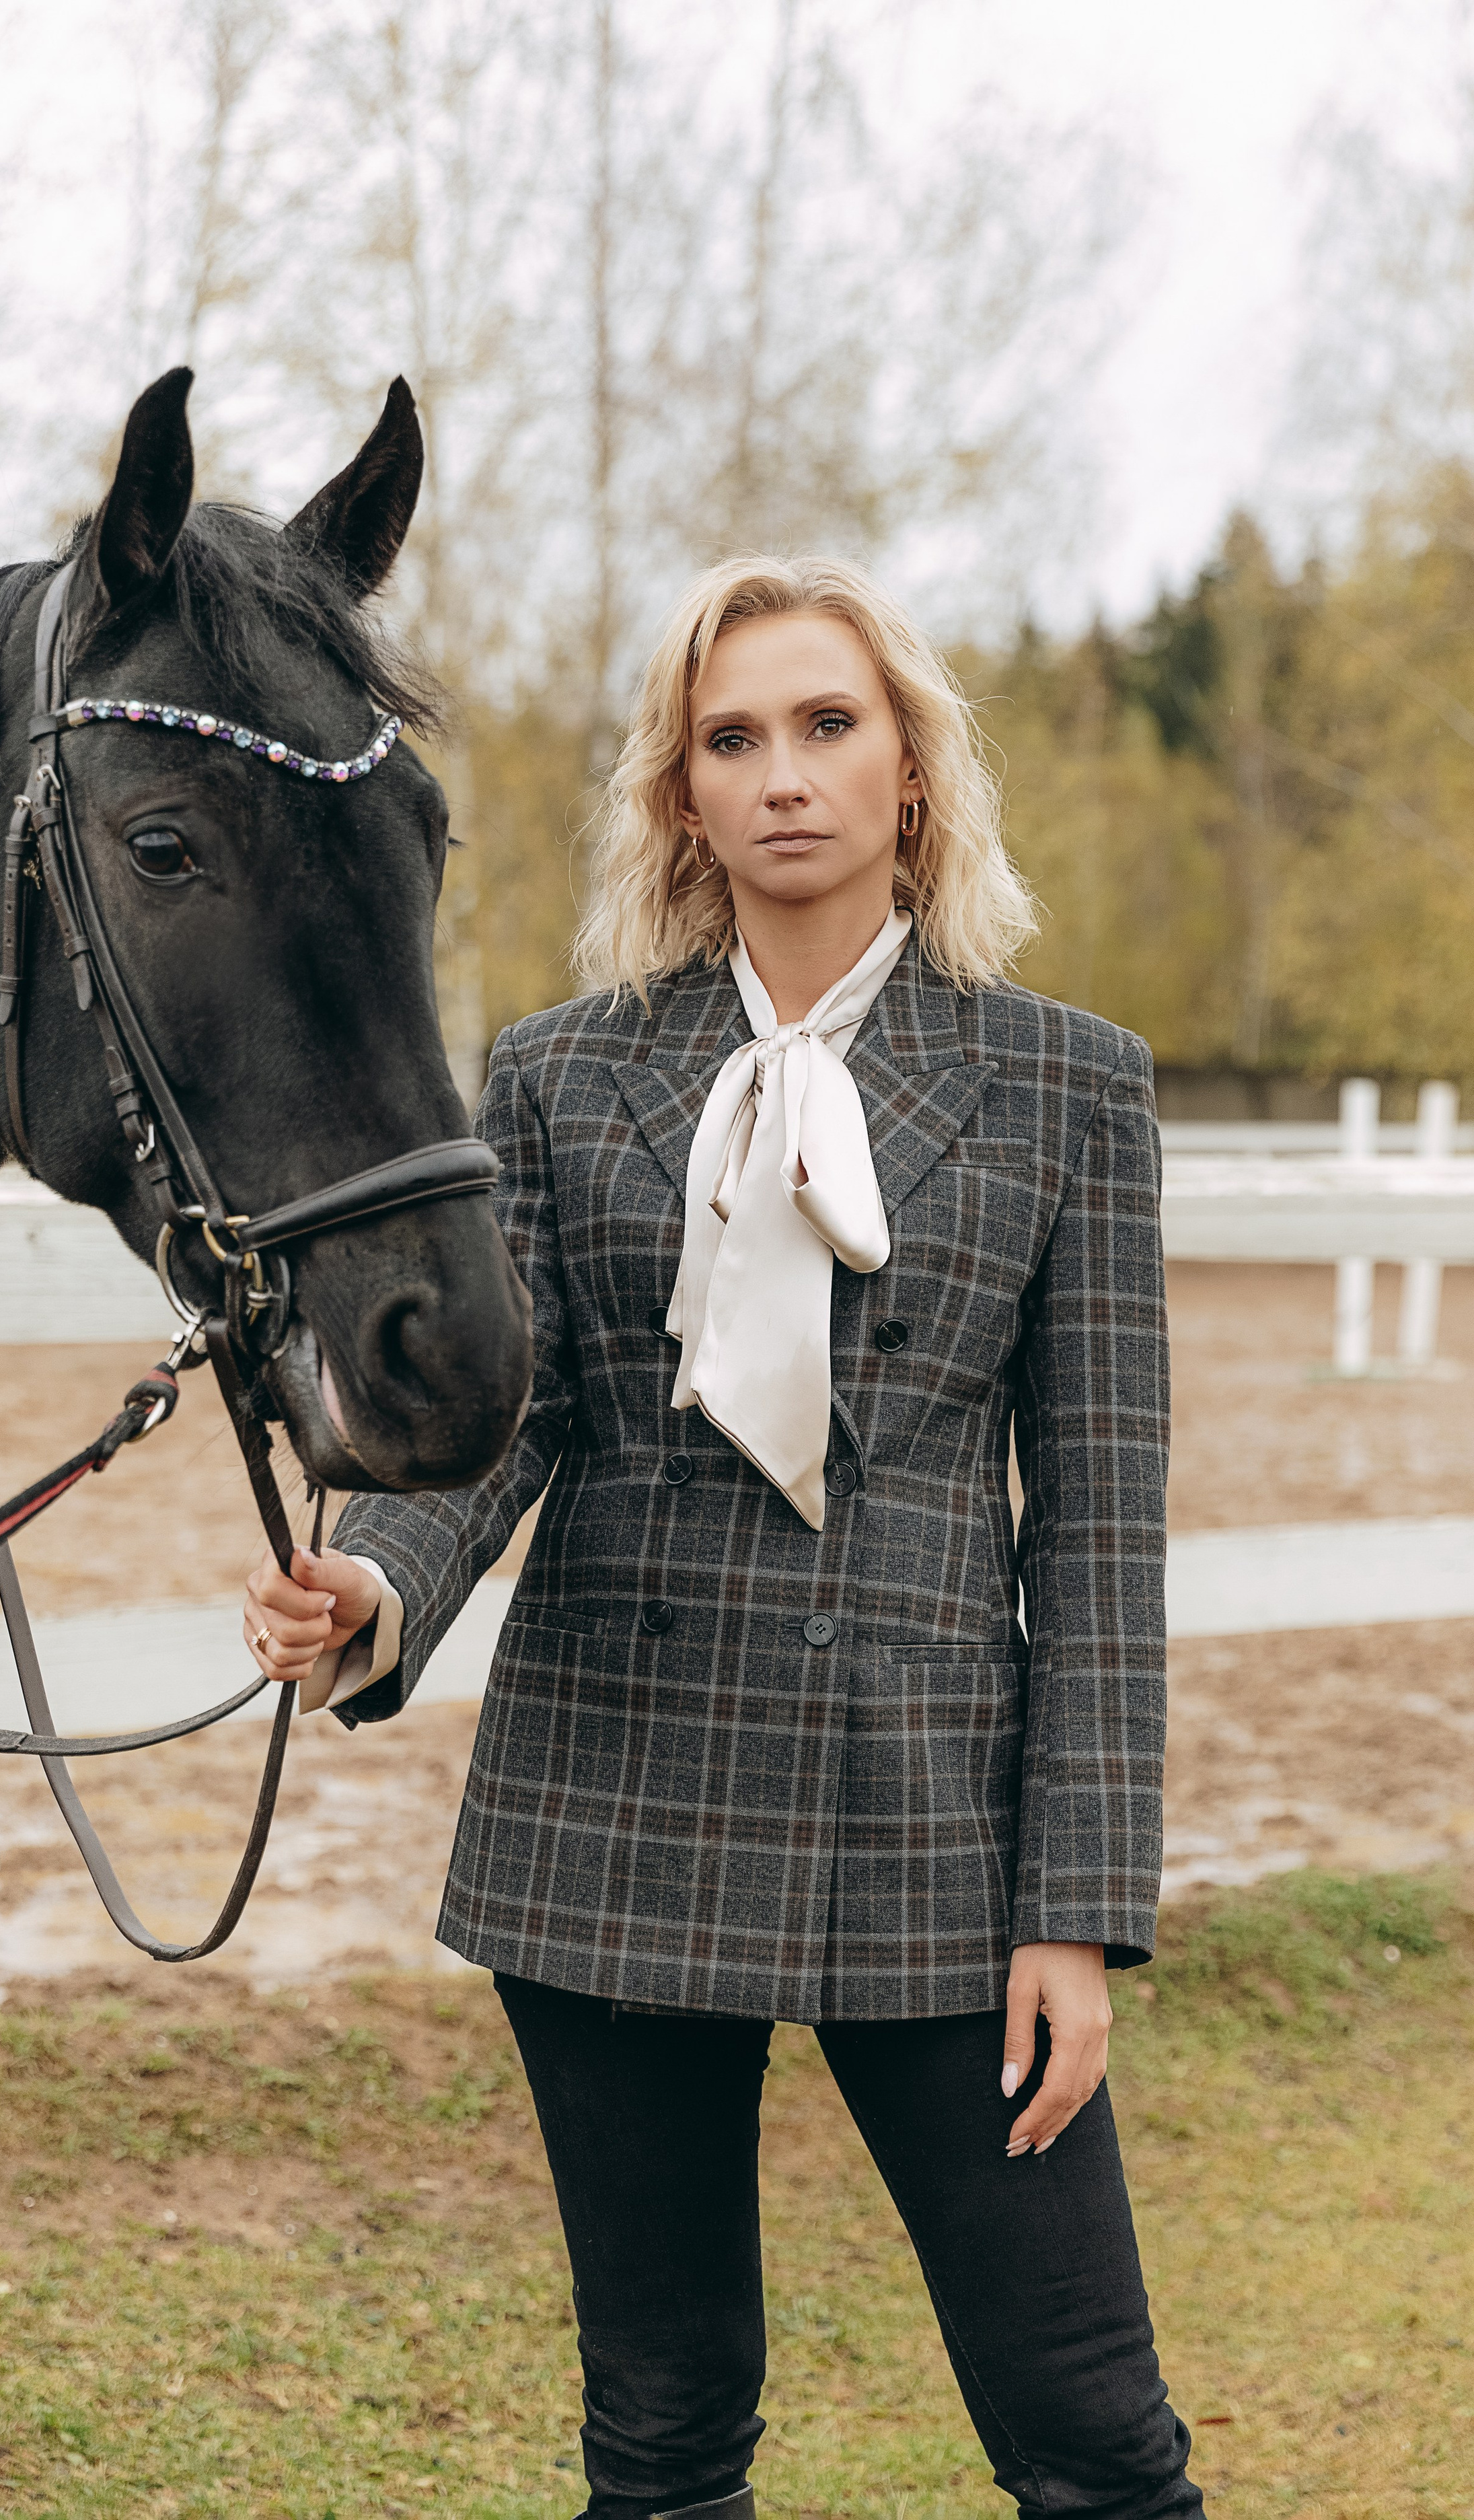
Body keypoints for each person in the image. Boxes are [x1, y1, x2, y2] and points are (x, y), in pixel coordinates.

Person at [243, 555, 1201, 2520]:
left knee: (1099, 2439)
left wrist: (1074, 1912)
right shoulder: (558, 1071)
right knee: (664, 2449)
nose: (786, 775)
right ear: (681, 794)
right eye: (732, 737)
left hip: (935, 1829)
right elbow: (509, 1432)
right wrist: (376, 1584)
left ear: (912, 770)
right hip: (616, 1810)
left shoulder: (1068, 1088)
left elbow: (1100, 1540)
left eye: (830, 725)